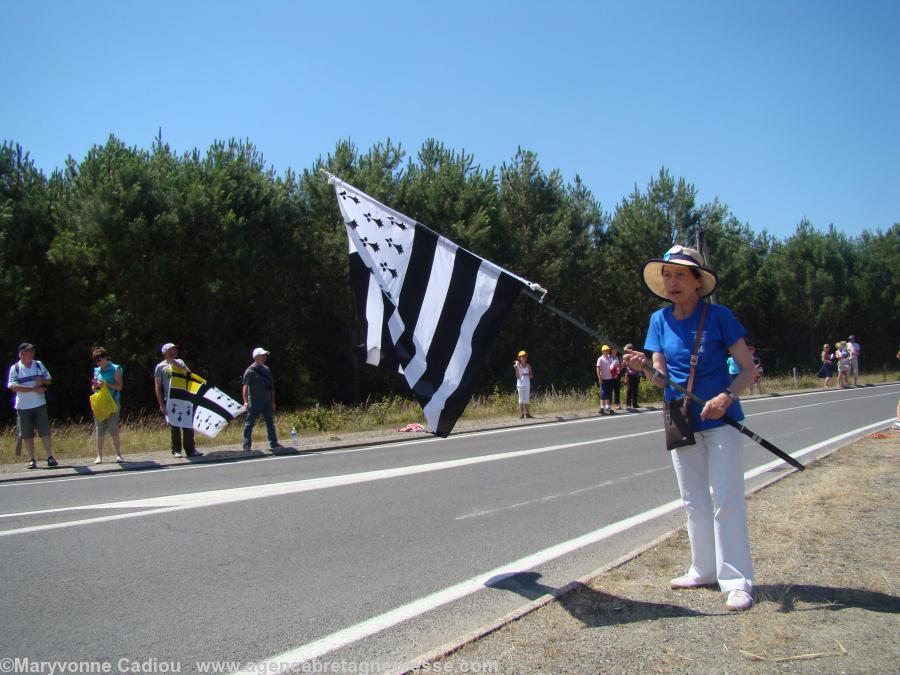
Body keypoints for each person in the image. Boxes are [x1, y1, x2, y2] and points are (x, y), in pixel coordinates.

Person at [622, 244, 757, 612]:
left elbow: (748, 369)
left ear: (698, 282)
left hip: (722, 421)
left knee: (726, 501)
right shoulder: (658, 321)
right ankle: (703, 569)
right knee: (694, 500)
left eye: (680, 274)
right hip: (681, 421)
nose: (672, 282)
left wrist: (726, 397)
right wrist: (642, 367)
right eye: (667, 275)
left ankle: (737, 580)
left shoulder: (719, 317)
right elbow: (662, 381)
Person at [7, 343, 57, 470]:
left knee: (45, 431)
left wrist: (43, 381)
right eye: (28, 351)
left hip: (39, 403)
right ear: (21, 354)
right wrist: (33, 389)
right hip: (23, 406)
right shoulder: (16, 368)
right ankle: (32, 459)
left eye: (32, 351)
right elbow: (13, 386)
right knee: (27, 434)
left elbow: (49, 379)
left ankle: (50, 457)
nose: (31, 353)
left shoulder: (38, 364)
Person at [154, 343, 201, 458]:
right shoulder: (160, 367)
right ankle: (176, 450)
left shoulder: (180, 362)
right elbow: (157, 386)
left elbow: (190, 376)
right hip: (170, 399)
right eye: (171, 349)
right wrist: (161, 404)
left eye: (174, 349)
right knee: (174, 425)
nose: (174, 351)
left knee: (187, 425)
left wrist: (177, 365)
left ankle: (191, 450)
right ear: (165, 352)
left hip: (184, 398)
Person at [242, 347, 283, 450]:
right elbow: (245, 387)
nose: (264, 358)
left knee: (270, 423)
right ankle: (246, 445)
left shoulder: (267, 369)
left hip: (266, 400)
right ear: (256, 357)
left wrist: (273, 401)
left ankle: (274, 443)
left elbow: (271, 387)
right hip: (254, 401)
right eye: (262, 356)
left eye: (265, 356)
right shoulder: (250, 371)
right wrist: (246, 401)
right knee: (249, 423)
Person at [90, 347, 124, 463]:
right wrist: (95, 385)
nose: (99, 363)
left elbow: (119, 387)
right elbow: (93, 387)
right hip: (100, 403)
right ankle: (99, 456)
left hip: (112, 402)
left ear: (105, 358)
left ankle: (119, 455)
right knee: (100, 430)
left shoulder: (116, 369)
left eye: (100, 360)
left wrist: (106, 384)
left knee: (114, 429)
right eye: (96, 361)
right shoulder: (97, 370)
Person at [595, 345, 616, 415]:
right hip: (603, 378)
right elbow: (598, 368)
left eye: (608, 350)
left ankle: (608, 407)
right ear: (603, 351)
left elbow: (612, 367)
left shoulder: (610, 358)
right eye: (606, 350)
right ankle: (601, 408)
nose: (607, 352)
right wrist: (599, 377)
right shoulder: (600, 359)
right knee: (603, 393)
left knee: (609, 393)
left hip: (610, 378)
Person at [514, 350, 533, 419]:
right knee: (521, 400)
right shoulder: (517, 366)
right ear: (519, 357)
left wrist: (527, 374)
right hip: (520, 385)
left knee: (527, 399)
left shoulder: (528, 366)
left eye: (525, 356)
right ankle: (521, 414)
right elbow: (518, 376)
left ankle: (527, 414)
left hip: (527, 384)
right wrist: (516, 368)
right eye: (522, 356)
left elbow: (531, 376)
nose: (524, 357)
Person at [623, 343, 642, 410]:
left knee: (635, 390)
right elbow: (624, 367)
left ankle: (635, 404)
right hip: (629, 375)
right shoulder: (626, 357)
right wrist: (625, 377)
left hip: (637, 374)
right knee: (629, 390)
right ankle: (628, 404)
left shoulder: (635, 355)